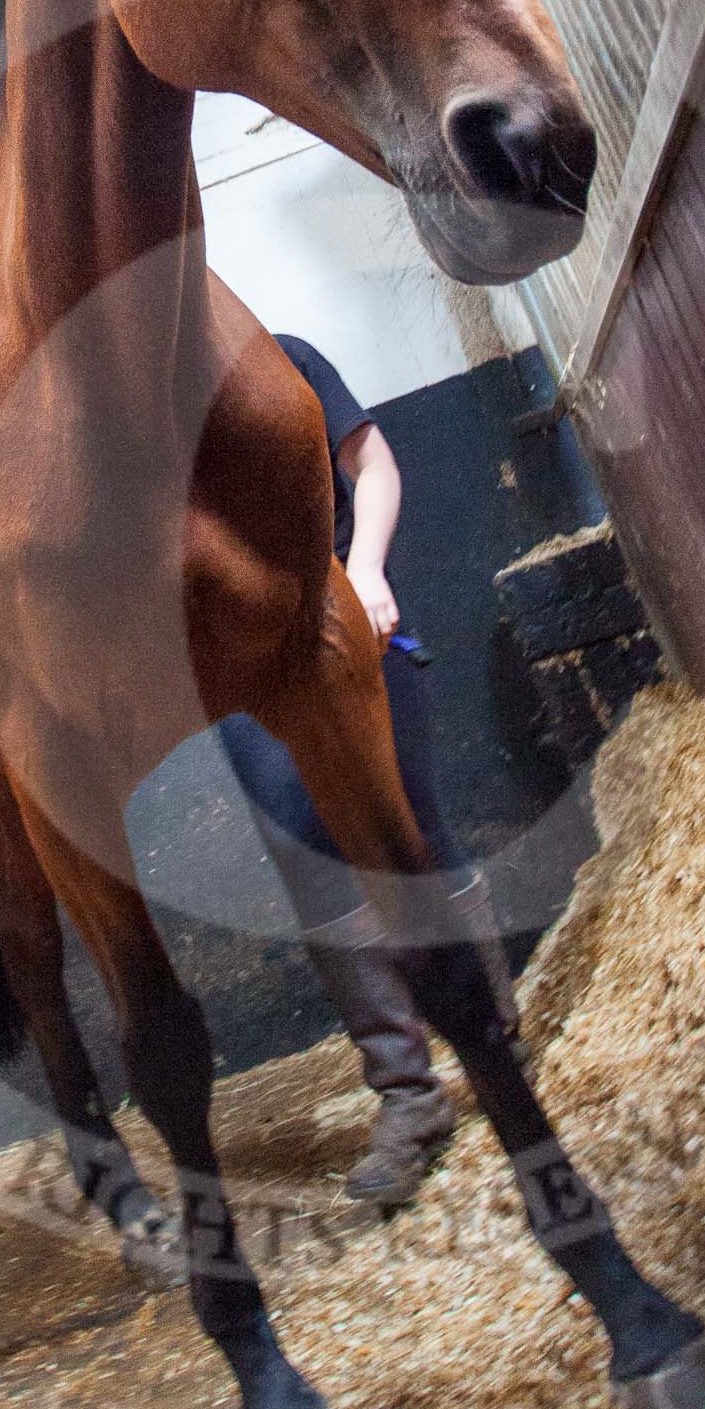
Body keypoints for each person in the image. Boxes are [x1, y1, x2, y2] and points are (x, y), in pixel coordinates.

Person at [220, 334, 519, 1208]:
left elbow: (374, 465)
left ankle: (496, 1044)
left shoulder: (283, 360)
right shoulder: (136, 432)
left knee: (415, 830)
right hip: (242, 672)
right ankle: (409, 1098)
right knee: (313, 866)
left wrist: (364, 572)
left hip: (348, 626)